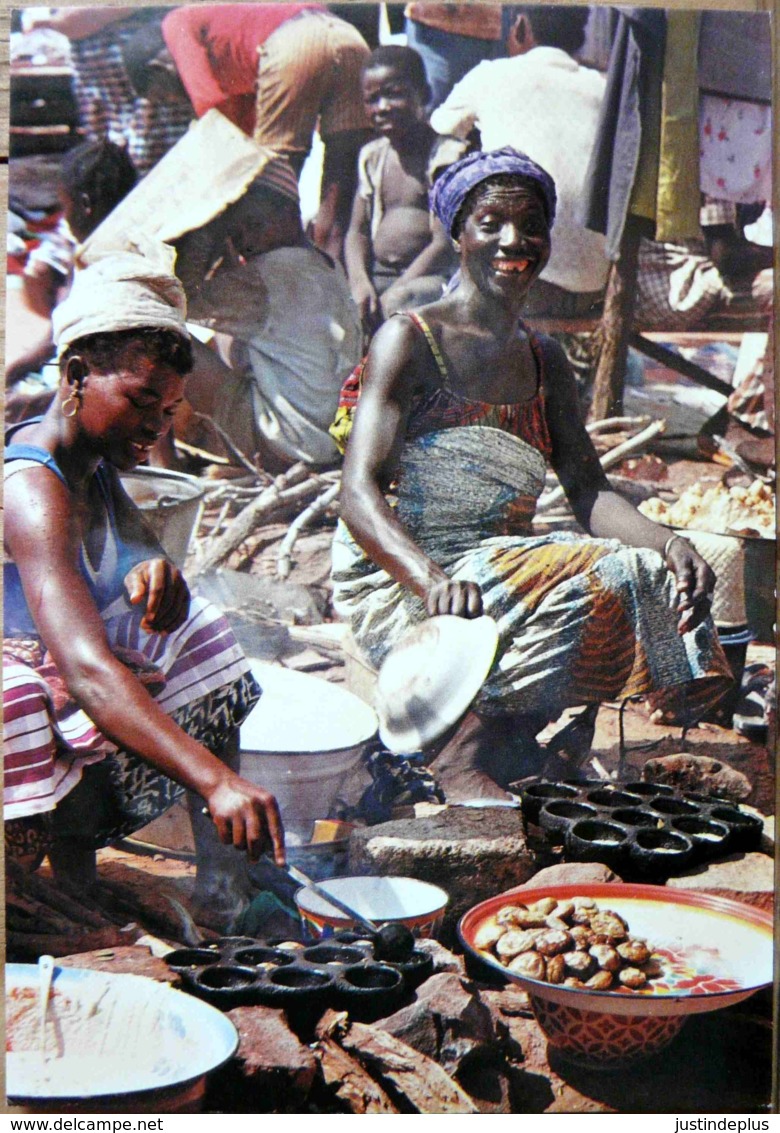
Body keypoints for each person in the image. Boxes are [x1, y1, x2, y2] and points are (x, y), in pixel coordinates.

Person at [332, 148, 732, 800]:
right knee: (608, 571)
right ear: (457, 234)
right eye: (490, 223)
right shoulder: (410, 340)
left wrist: (670, 542)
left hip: (498, 560)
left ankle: (520, 733)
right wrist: (429, 578)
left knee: (645, 572)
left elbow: (589, 489)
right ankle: (458, 756)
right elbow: (357, 492)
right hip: (402, 566)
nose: (513, 241)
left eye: (531, 226)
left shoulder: (545, 359)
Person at [3, 242, 285, 929]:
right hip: (29, 675)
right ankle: (26, 895)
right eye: (141, 400)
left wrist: (158, 576)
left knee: (202, 631)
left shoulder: (93, 462)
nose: (158, 425)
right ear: (75, 375)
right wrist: (216, 779)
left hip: (59, 659)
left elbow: (150, 567)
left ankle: (226, 889)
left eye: (170, 407)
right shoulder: (32, 488)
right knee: (21, 700)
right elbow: (86, 668)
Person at [176, 155, 362, 473]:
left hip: (292, 447)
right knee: (233, 343)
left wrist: (210, 232)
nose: (246, 241)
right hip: (331, 444)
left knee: (165, 337)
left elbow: (177, 297)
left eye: (255, 226)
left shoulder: (271, 273)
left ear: (290, 214)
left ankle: (172, 458)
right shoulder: (320, 263)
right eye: (238, 233)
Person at [430, 6, 609, 318]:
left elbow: (441, 125)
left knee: (450, 151)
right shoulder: (603, 85)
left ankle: (450, 259)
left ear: (521, 27)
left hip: (520, 284)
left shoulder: (491, 74)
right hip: (593, 285)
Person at [161, 4, 371, 257]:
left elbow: (210, 105)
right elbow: (242, 128)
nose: (174, 99)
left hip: (294, 43)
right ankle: (334, 271)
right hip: (349, 37)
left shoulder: (176, 22)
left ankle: (276, 269)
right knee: (341, 177)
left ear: (159, 68)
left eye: (165, 95)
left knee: (273, 178)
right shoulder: (230, 42)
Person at [6, 139, 138, 394]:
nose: (63, 218)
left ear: (85, 206)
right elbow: (53, 340)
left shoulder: (108, 272)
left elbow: (101, 381)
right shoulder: (88, 256)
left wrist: (30, 399)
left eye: (65, 207)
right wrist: (14, 372)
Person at [345, 46, 456, 335]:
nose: (382, 107)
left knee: (398, 306)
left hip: (430, 280)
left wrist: (395, 290)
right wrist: (359, 283)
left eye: (394, 93)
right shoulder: (372, 157)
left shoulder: (443, 156)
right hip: (378, 280)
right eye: (372, 100)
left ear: (425, 94)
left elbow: (443, 246)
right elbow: (356, 232)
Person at [23, 8, 192, 176]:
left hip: (143, 60)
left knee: (156, 160)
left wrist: (60, 19)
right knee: (106, 163)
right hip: (97, 76)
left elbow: (73, 19)